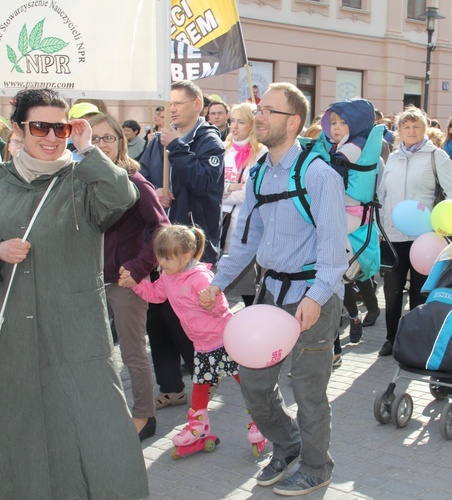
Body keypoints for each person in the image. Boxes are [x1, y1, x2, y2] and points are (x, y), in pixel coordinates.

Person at [0, 89, 148, 498]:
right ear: (19, 129)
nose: (51, 137)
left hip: (76, 336)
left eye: (60, 127)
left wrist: (88, 149)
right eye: (40, 126)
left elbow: (122, 196)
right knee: (12, 431)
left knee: (97, 432)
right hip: (11, 340)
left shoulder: (83, 180)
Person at [201, 82, 347, 496]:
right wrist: (218, 282)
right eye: (258, 109)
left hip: (312, 296)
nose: (258, 116)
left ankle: (317, 467)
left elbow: (334, 251)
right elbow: (245, 240)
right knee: (254, 383)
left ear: (294, 121)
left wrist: (316, 299)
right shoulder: (260, 171)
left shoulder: (319, 175)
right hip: (270, 295)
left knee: (308, 391)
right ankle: (288, 445)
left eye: (269, 111)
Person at [122, 225, 263, 453]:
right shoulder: (169, 277)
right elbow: (156, 295)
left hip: (225, 340)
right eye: (160, 258)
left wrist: (211, 303)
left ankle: (263, 419)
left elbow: (222, 308)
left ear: (185, 256)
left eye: (167, 258)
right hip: (202, 344)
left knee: (245, 381)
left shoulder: (200, 278)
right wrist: (136, 284)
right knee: (200, 384)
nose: (162, 263)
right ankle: (198, 427)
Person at [139, 80, 225, 411]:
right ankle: (171, 386)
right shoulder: (158, 140)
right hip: (162, 242)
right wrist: (153, 194)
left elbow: (205, 183)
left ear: (197, 104)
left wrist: (177, 148)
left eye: (178, 102)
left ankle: (206, 376)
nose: (171, 109)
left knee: (188, 318)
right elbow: (145, 178)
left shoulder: (207, 140)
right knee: (158, 319)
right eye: (168, 103)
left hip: (192, 245)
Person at [89, 113, 169, 441]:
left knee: (133, 353)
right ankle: (105, 411)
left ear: (121, 141)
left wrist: (138, 267)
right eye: (93, 138)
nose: (101, 144)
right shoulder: (81, 179)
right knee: (94, 352)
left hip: (124, 283)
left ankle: (144, 415)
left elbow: (161, 226)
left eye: (108, 137)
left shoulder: (134, 180)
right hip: (89, 281)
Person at [378, 106, 452, 357]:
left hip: (423, 238)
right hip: (392, 236)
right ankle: (392, 338)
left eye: (416, 126)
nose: (411, 131)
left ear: (425, 129)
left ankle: (416, 341)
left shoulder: (436, 156)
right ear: (399, 130)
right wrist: (380, 227)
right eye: (406, 126)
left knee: (419, 292)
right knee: (391, 292)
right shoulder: (392, 158)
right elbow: (382, 195)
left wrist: (443, 224)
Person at [320, 98, 381, 356]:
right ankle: (352, 317)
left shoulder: (350, 149)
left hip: (349, 212)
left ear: (356, 123)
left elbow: (329, 178)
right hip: (346, 211)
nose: (335, 127)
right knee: (335, 273)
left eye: (343, 122)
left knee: (331, 267)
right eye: (333, 122)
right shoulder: (346, 144)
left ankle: (350, 318)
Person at [220, 102, 267, 306]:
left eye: (241, 122)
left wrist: (224, 189)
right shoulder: (223, 149)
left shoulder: (261, 153)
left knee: (246, 279)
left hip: (245, 225)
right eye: (232, 121)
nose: (234, 126)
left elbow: (249, 194)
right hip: (221, 223)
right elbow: (212, 188)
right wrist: (231, 187)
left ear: (252, 125)